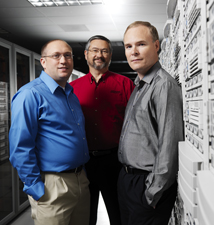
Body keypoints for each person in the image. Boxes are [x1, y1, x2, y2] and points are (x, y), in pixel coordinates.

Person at [9, 39, 90, 225]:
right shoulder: (30, 95)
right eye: (56, 56)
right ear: (43, 62)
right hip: (52, 185)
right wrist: (35, 187)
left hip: (80, 180)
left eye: (67, 56)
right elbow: (20, 147)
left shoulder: (70, 94)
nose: (63, 61)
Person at [118, 21, 184, 225]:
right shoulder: (140, 85)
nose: (134, 52)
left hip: (146, 186)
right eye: (128, 46)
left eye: (141, 44)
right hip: (129, 180)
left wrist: (153, 192)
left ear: (156, 46)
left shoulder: (163, 85)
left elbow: (170, 142)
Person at [70, 35, 134, 225]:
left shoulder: (125, 84)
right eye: (95, 50)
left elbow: (134, 123)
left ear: (110, 55)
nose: (100, 55)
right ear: (86, 54)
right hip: (83, 163)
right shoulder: (72, 88)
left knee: (119, 214)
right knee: (85, 216)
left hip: (114, 161)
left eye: (104, 51)